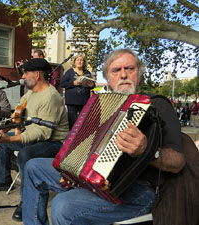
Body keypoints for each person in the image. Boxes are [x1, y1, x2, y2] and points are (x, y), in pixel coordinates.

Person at [22, 48, 185, 225]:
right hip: (96, 176)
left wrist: (148, 151)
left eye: (130, 69)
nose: (123, 75)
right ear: (108, 77)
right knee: (33, 167)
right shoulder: (101, 105)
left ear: (139, 73)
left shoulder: (157, 104)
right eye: (116, 70)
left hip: (138, 190)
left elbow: (178, 163)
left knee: (63, 206)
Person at [0, 58, 69, 222]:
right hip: (35, 136)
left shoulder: (50, 96)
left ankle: (26, 199)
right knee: (4, 145)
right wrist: (3, 130)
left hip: (55, 142)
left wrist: (12, 138)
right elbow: (17, 116)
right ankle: (2, 179)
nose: (23, 76)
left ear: (37, 75)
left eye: (26, 73)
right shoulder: (30, 93)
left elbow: (42, 132)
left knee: (25, 155)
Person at [61, 54, 95, 129]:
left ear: (84, 62)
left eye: (81, 60)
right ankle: (70, 138)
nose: (80, 62)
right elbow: (62, 84)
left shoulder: (87, 73)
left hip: (84, 101)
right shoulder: (69, 72)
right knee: (72, 122)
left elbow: (92, 85)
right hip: (72, 102)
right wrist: (73, 83)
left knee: (83, 122)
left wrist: (91, 85)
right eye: (78, 60)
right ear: (75, 62)